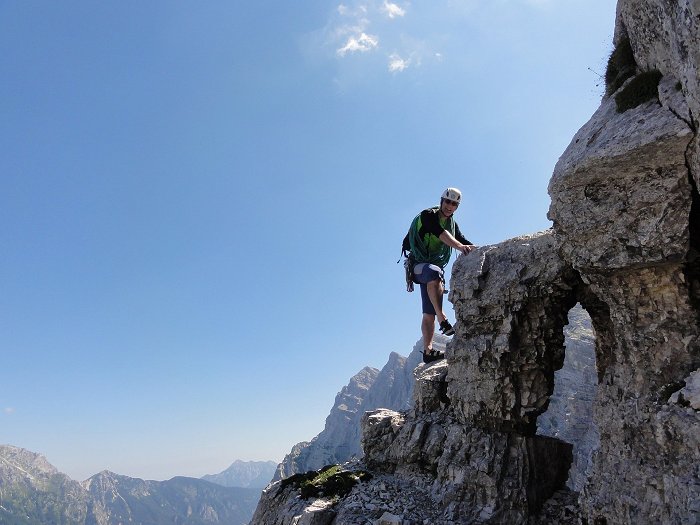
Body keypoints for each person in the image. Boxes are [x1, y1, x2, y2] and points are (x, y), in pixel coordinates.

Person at [404, 188, 475, 363]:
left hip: (431, 273)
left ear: (457, 206)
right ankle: (443, 318)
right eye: (447, 202)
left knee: (429, 313)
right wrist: (460, 247)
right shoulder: (428, 215)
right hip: (418, 267)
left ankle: (428, 351)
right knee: (434, 272)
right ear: (441, 201)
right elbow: (442, 234)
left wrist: (478, 250)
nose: (450, 206)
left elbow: (461, 239)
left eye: (454, 204)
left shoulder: (452, 224)